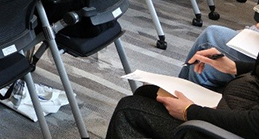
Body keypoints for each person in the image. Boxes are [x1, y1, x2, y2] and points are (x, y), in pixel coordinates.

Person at [105, 50, 259, 139]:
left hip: (236, 128)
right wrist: (235, 67)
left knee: (129, 110)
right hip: (239, 103)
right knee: (147, 92)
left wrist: (188, 111)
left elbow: (253, 125)